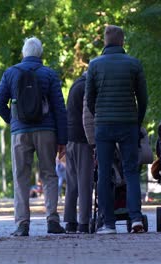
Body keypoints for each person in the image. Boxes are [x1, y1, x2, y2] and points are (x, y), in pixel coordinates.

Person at [0, 36, 67, 236]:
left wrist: (13, 120)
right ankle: (52, 219)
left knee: (20, 176)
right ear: (40, 53)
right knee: (49, 174)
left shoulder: (11, 73)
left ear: (24, 53)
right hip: (47, 131)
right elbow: (60, 107)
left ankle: (22, 224)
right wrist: (62, 140)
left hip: (20, 132)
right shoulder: (49, 74)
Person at [85, 25, 148, 234]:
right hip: (128, 124)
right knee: (131, 171)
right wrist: (136, 122)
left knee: (104, 173)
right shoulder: (134, 64)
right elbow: (143, 99)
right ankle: (136, 218)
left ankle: (109, 224)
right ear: (122, 41)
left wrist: (100, 116)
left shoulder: (94, 65)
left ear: (105, 41)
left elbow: (90, 99)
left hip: (103, 126)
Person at [64, 72, 95, 234]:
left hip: (70, 138)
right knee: (85, 182)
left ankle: (70, 221)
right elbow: (88, 115)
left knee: (72, 182)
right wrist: (92, 139)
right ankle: (84, 222)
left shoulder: (75, 85)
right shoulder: (87, 87)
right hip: (83, 139)